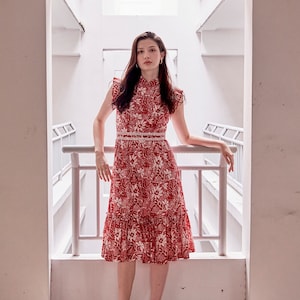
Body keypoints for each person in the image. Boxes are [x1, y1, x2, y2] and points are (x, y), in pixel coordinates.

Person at [93, 31, 234, 300]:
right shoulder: (119, 87)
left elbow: (186, 137)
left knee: (161, 239)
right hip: (127, 171)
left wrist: (220, 145)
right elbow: (98, 121)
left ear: (162, 54)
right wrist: (99, 154)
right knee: (126, 239)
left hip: (161, 173)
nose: (146, 56)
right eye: (140, 51)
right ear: (135, 57)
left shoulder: (173, 94)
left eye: (151, 50)